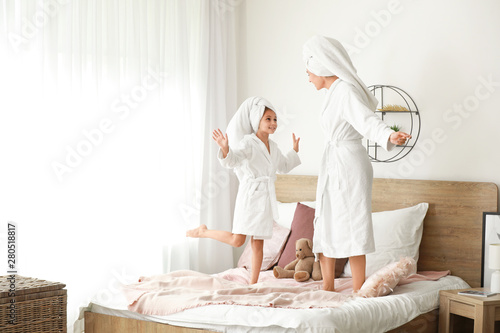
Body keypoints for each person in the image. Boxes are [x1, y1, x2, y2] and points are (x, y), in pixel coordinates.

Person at [302, 35, 411, 292]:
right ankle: (327, 288)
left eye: (308, 66)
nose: (306, 73)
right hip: (334, 162)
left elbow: (366, 121)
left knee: (353, 224)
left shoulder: (346, 92)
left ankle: (358, 290)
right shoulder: (332, 94)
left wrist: (387, 134)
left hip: (349, 165)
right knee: (326, 221)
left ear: (321, 65)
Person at [186, 97, 301, 284]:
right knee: (238, 240)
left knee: (258, 244)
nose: (273, 123)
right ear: (257, 121)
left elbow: (284, 166)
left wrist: (294, 151)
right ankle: (203, 232)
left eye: (275, 119)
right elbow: (234, 160)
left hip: (265, 199)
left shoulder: (273, 147)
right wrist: (225, 149)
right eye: (268, 119)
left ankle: (253, 285)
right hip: (250, 196)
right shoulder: (248, 143)